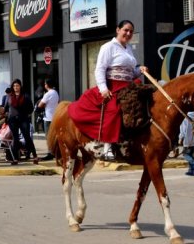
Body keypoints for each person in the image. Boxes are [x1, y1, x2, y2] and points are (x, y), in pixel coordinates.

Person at [68, 20, 148, 161]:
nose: (128, 33)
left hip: (128, 86)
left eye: (131, 31)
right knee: (114, 109)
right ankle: (108, 146)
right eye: (126, 30)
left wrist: (139, 70)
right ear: (118, 30)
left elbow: (130, 73)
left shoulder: (128, 48)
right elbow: (100, 69)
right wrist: (103, 89)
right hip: (113, 86)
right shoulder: (108, 47)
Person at [5, 78, 38, 165]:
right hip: (12, 120)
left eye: (17, 86)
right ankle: (15, 158)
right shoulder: (9, 96)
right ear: (12, 87)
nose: (16, 87)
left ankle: (35, 156)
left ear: (20, 86)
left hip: (23, 119)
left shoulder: (25, 96)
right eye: (14, 86)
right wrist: (5, 114)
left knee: (27, 137)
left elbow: (31, 108)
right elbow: (5, 108)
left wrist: (25, 114)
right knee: (15, 138)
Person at [38, 79, 60, 161]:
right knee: (55, 136)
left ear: (47, 85)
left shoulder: (47, 94)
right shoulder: (55, 93)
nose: (44, 85)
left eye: (45, 84)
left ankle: (50, 153)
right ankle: (56, 152)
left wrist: (43, 103)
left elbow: (40, 105)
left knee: (48, 136)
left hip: (48, 118)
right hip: (55, 117)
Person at [179, 111, 194, 176]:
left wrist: (180, 137)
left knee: (185, 154)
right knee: (191, 155)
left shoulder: (184, 117)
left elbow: (183, 129)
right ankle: (191, 170)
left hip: (187, 139)